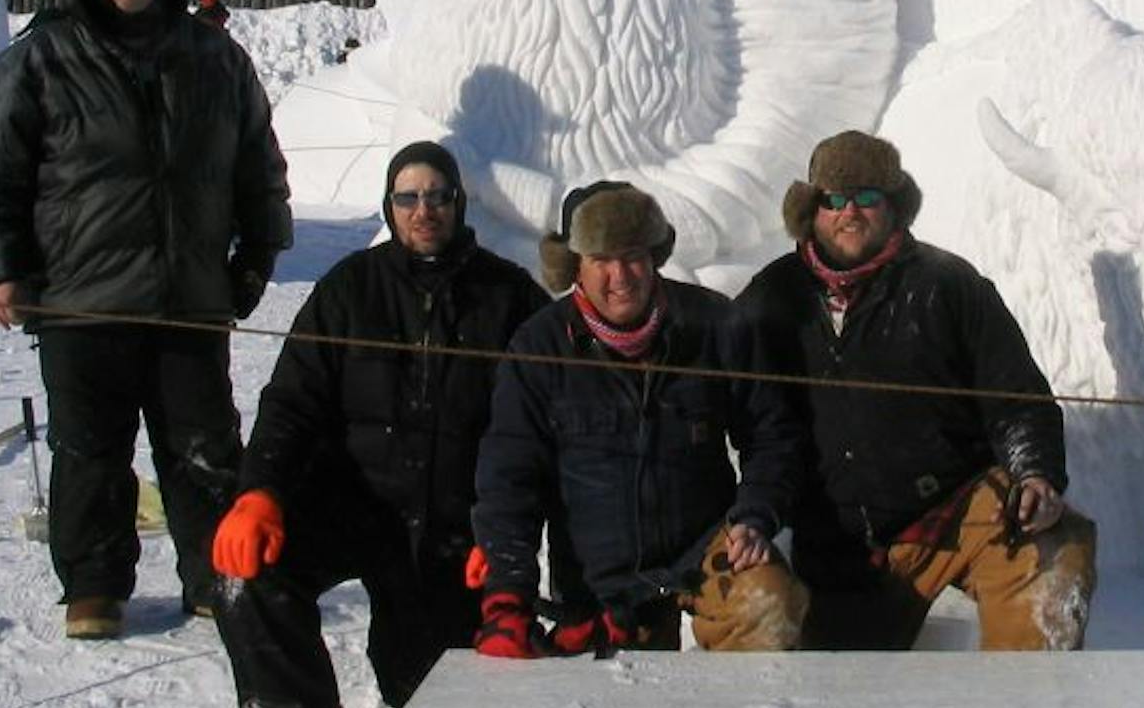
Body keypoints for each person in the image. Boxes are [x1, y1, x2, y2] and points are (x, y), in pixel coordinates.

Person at [0, 0, 291, 641]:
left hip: (188, 297)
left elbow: (260, 168)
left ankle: (214, 576)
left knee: (202, 448)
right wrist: (1, 270)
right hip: (84, 298)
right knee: (89, 449)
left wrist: (256, 259)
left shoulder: (213, 58)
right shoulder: (43, 57)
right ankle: (94, 586)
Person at [210, 141, 550, 708]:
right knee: (243, 571)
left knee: (423, 696)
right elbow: (291, 403)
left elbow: (540, 425)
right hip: (354, 504)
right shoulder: (349, 288)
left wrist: (502, 537)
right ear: (390, 207)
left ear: (458, 203)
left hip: (453, 523)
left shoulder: (506, 295)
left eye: (437, 197)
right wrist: (260, 494)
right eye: (408, 197)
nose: (424, 210)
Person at [736, 131, 1097, 652]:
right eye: (835, 199)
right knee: (834, 692)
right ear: (811, 209)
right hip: (835, 546)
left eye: (867, 197)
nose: (850, 212)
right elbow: (753, 425)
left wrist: (1035, 473)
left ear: (894, 205)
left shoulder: (948, 284)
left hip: (954, 515)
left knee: (1052, 550)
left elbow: (1017, 398)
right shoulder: (769, 299)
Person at [470, 182, 808, 658]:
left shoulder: (713, 323)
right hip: (598, 578)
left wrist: (756, 514)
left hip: (707, 548)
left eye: (631, 255)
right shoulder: (538, 348)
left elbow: (772, 433)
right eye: (601, 259)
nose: (620, 275)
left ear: (654, 255)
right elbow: (508, 477)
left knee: (768, 603)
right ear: (574, 268)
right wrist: (508, 595)